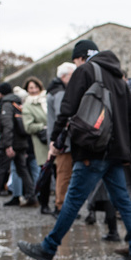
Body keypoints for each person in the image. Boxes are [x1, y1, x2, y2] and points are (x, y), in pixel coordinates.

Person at [17, 39, 131, 260]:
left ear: (79, 58)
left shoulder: (84, 71)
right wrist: (128, 148)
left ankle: (48, 248)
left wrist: (56, 141)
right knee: (123, 202)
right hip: (115, 152)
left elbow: (67, 109)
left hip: (91, 148)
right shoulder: (119, 78)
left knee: (73, 200)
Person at [0, 82, 37, 207]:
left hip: (11, 144)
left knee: (0, 169)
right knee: (22, 169)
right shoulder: (17, 103)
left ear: (1, 93)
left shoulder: (6, 104)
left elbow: (7, 125)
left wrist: (8, 145)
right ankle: (32, 197)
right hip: (21, 143)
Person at [46, 62, 77, 215]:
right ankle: (61, 206)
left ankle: (61, 204)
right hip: (63, 141)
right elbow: (63, 115)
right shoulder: (60, 93)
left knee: (62, 173)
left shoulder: (54, 90)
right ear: (64, 76)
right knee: (64, 174)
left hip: (58, 139)